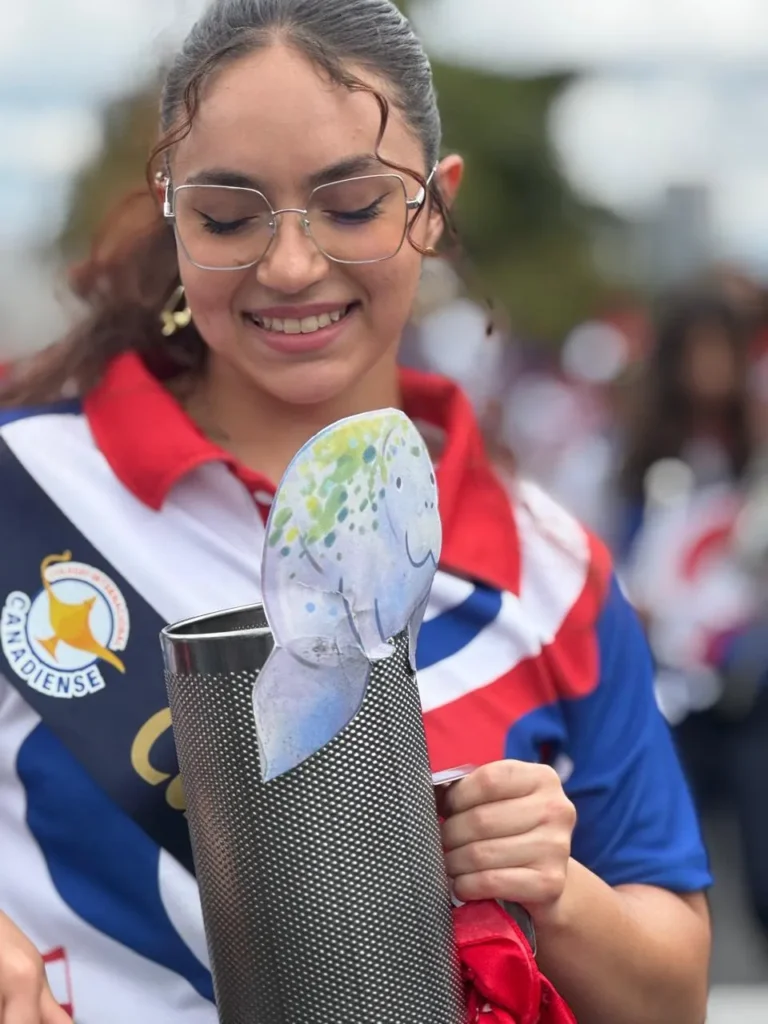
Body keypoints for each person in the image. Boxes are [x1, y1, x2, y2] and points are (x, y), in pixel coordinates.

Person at [0, 2, 711, 1022]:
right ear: (172, 211)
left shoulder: (555, 572)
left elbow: (676, 994)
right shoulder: (26, 486)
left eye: (352, 204)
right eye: (229, 215)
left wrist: (558, 892)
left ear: (431, 205)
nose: (290, 265)